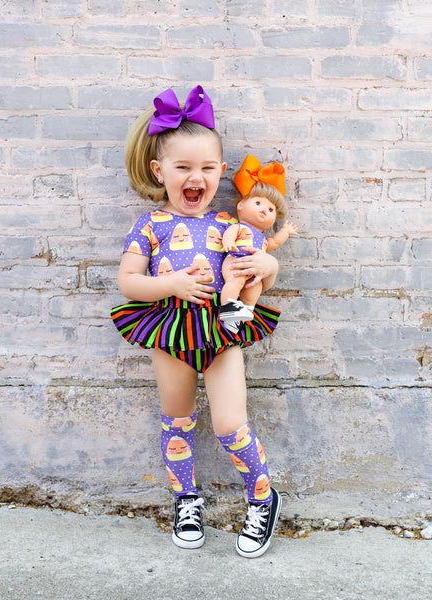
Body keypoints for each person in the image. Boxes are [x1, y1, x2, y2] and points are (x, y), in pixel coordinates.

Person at [110, 85, 282, 558]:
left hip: (224, 334)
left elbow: (260, 271)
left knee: (230, 424)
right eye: (183, 167)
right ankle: (186, 499)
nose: (195, 177)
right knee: (177, 420)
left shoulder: (231, 225)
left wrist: (268, 268)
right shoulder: (150, 227)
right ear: (158, 171)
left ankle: (263, 498)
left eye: (206, 168)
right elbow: (128, 281)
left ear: (221, 173)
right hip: (169, 334)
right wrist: (173, 286)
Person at [219, 155, 298, 333]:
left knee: (254, 289)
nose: (264, 210)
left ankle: (245, 312)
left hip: (255, 273)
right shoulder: (239, 226)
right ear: (240, 205)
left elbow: (273, 243)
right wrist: (229, 242)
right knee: (234, 282)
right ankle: (228, 308)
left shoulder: (262, 239)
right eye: (257, 203)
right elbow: (230, 233)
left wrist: (284, 232)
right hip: (236, 261)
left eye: (271, 209)